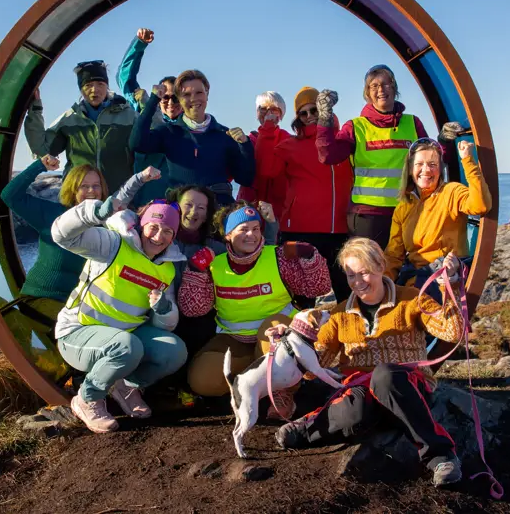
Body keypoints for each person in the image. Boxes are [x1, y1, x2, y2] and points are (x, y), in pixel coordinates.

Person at [274, 237, 465, 487]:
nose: (358, 282)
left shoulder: (411, 299)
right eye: (351, 275)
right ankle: (306, 428)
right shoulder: (338, 314)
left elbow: (452, 332)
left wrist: (449, 284)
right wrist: (292, 341)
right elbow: (312, 370)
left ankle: (441, 457)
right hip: (363, 395)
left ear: (380, 266)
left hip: (407, 389)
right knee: (356, 407)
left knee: (385, 375)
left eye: (363, 273)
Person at [51, 192, 187, 433]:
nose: (158, 236)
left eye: (167, 231)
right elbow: (62, 235)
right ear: (141, 224)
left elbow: (166, 325)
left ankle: (123, 385)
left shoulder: (167, 269)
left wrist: (164, 309)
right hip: (77, 333)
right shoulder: (113, 243)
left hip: (125, 338)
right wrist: (93, 212)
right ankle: (87, 398)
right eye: (153, 227)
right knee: (127, 346)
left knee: (174, 351)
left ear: (174, 236)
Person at [177, 202, 331, 411]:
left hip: (278, 335)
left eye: (256, 229)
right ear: (228, 235)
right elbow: (193, 309)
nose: (251, 234)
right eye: (243, 229)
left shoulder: (277, 257)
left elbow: (318, 288)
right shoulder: (216, 265)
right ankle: (257, 382)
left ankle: (282, 392)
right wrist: (195, 272)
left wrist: (309, 256)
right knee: (202, 381)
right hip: (235, 339)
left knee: (272, 327)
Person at [315, 65, 429, 250]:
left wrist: (445, 140)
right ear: (367, 93)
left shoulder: (413, 123)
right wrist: (325, 118)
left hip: (406, 211)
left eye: (386, 84)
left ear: (394, 87)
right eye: (374, 86)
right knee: (368, 271)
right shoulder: (356, 127)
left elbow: (433, 158)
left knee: (405, 273)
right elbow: (327, 155)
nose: (381, 90)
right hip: (367, 217)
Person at [259, 86, 355, 301]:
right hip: (300, 232)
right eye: (304, 113)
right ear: (298, 118)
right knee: (301, 297)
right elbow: (267, 170)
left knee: (345, 292)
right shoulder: (289, 146)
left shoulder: (342, 143)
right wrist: (267, 131)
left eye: (315, 110)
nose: (310, 116)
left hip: (338, 230)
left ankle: (349, 332)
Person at [24, 29, 148, 187]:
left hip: (118, 196)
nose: (95, 90)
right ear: (81, 89)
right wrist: (35, 109)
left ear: (107, 86)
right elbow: (42, 148)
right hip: (79, 198)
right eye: (88, 85)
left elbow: (149, 143)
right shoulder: (70, 119)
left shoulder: (128, 115)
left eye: (100, 84)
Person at [129, 70, 255, 207]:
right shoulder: (169, 132)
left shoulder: (225, 135)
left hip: (218, 214)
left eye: (199, 92)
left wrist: (245, 145)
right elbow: (137, 143)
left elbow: (245, 179)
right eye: (186, 95)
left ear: (207, 93)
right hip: (182, 215)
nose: (194, 99)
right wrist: (153, 100)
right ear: (180, 99)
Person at [384, 139, 491, 287]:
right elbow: (393, 255)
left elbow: (481, 205)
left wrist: (468, 161)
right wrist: (383, 282)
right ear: (410, 169)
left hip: (445, 277)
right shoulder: (404, 207)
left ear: (441, 169)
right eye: (419, 164)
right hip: (415, 278)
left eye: (432, 164)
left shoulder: (451, 191)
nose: (426, 170)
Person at [116, 28, 183, 206]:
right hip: (143, 203)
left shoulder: (191, 127)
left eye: (176, 97)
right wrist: (139, 45)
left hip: (176, 206)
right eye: (165, 96)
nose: (170, 102)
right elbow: (125, 80)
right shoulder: (147, 113)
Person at [237, 91, 290, 221]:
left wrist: (268, 129)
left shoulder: (287, 140)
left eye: (273, 109)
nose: (268, 113)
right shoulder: (247, 140)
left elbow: (267, 170)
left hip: (277, 210)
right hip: (248, 207)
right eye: (263, 109)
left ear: (281, 114)